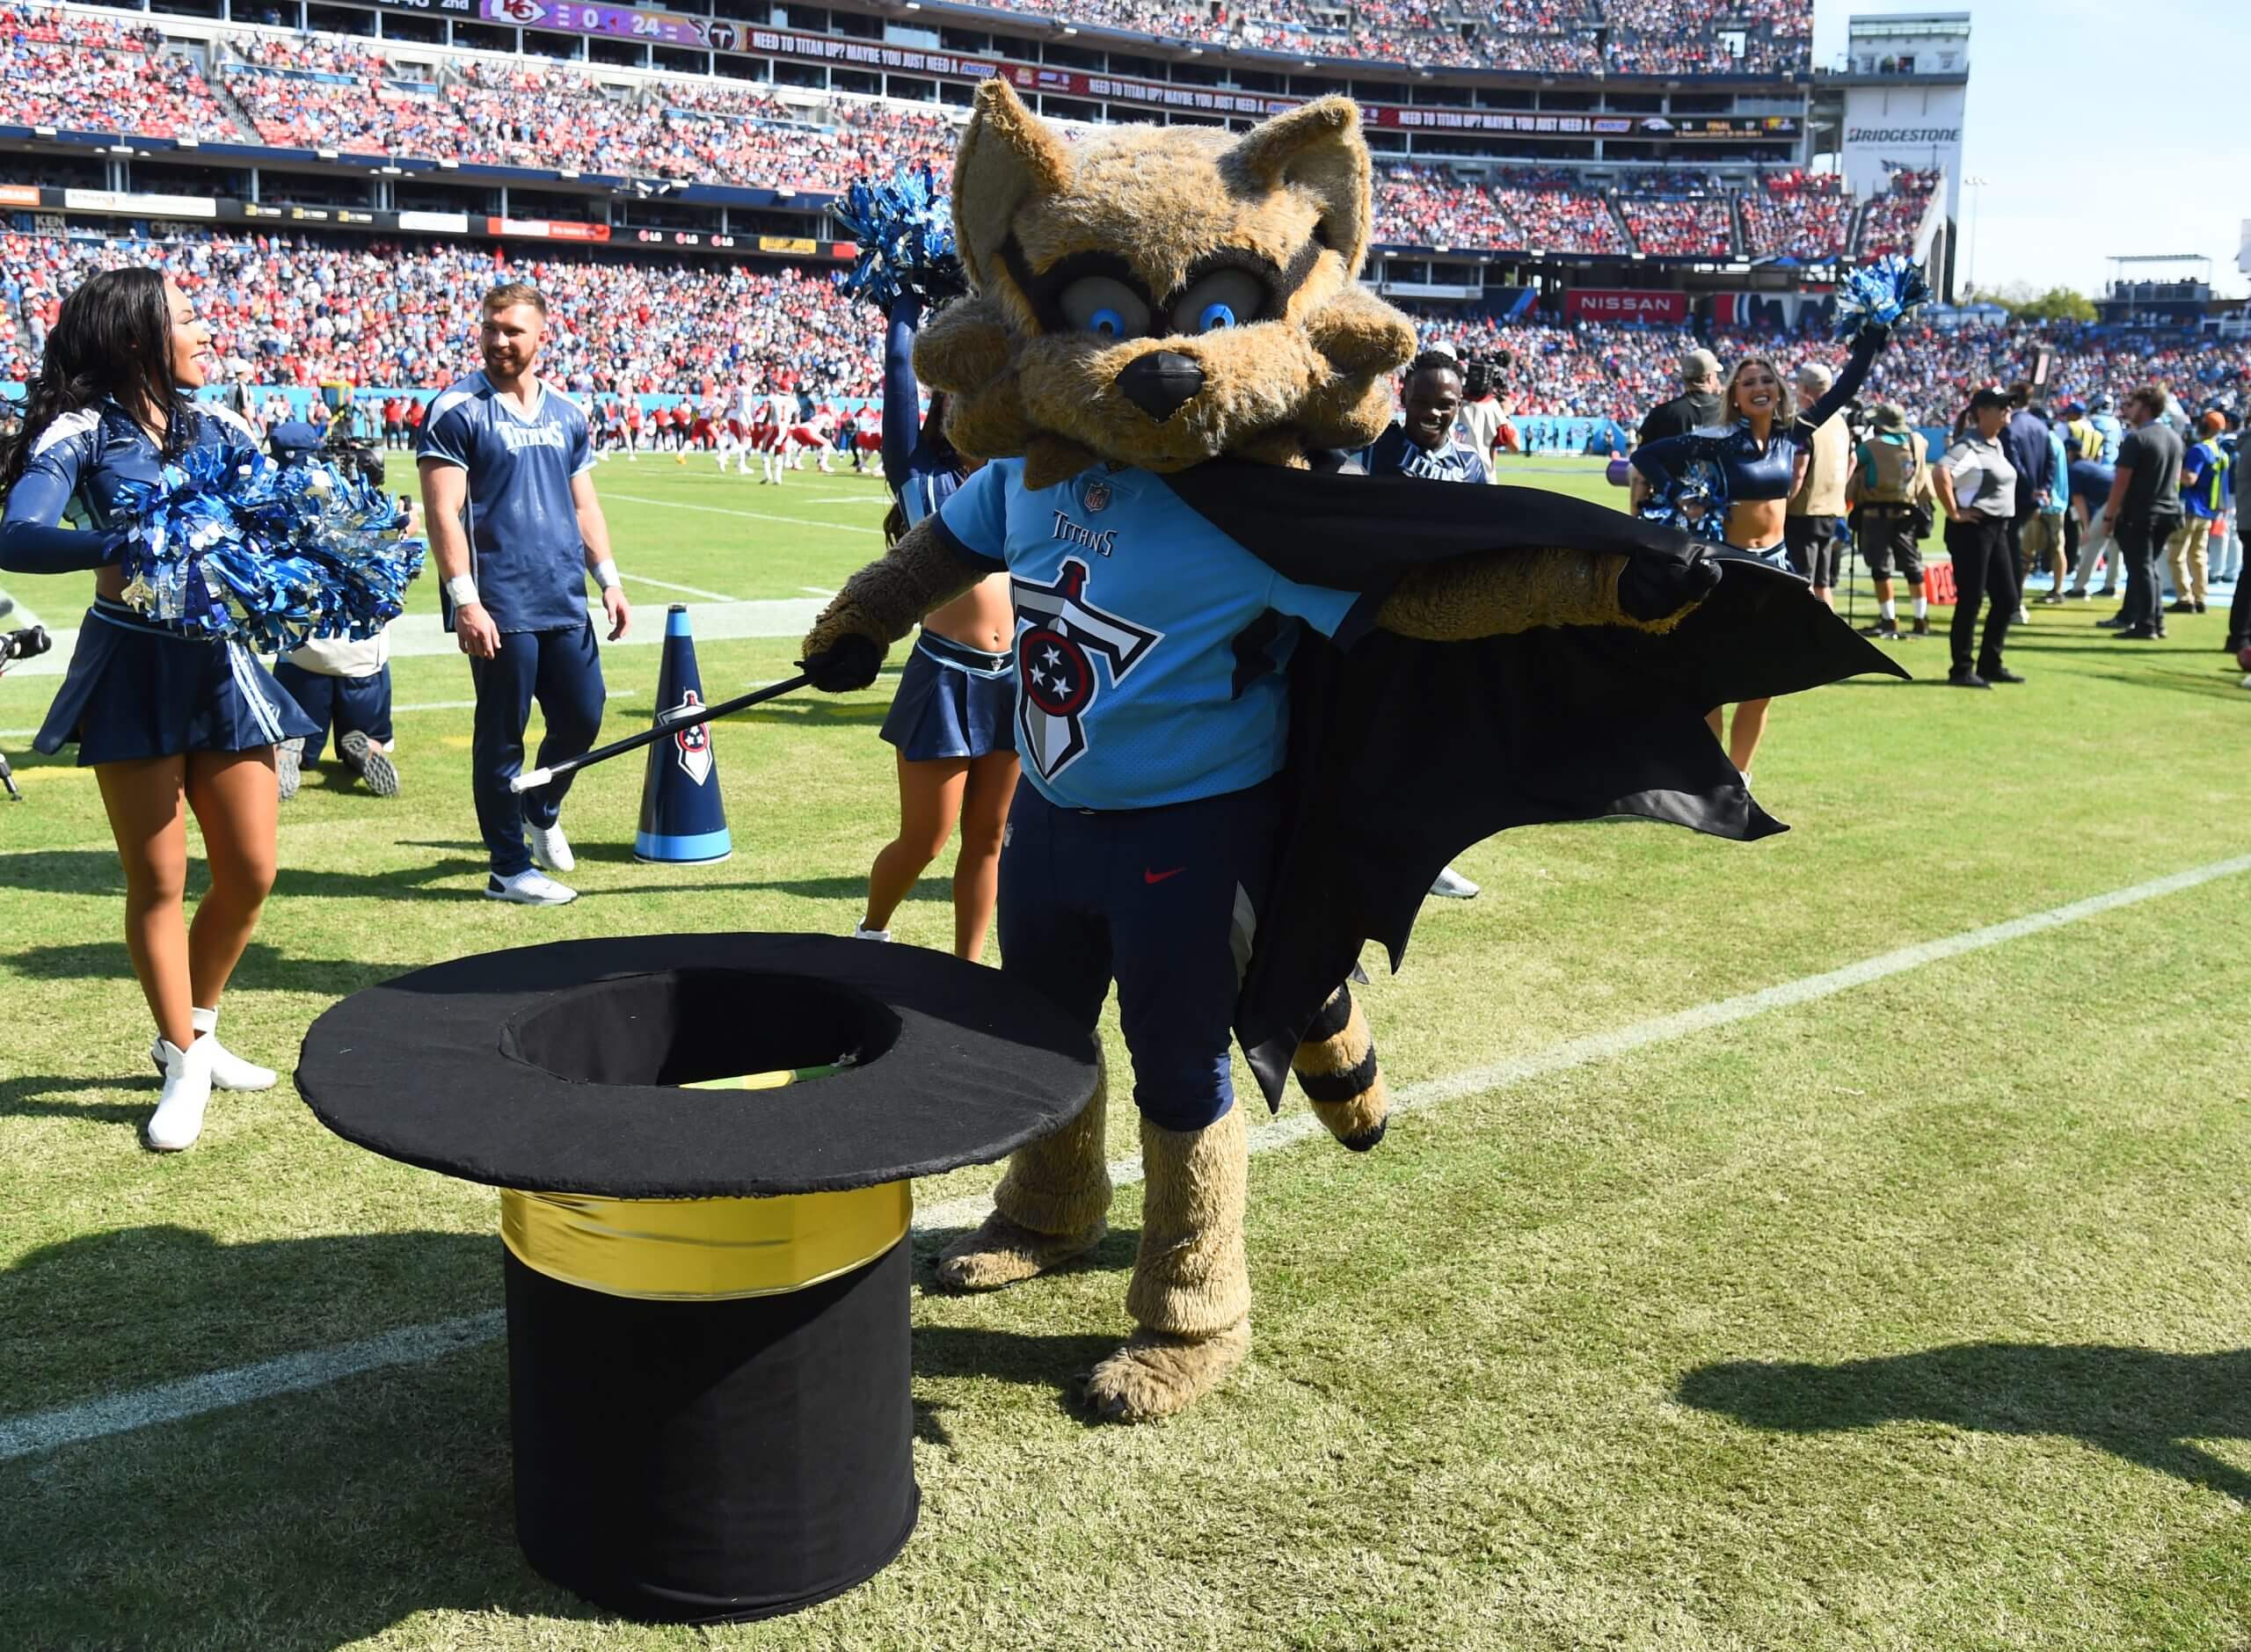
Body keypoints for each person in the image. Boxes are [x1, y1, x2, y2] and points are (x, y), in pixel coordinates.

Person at [0, 267, 320, 1150]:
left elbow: (275, 521)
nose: (206, 330)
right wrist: (124, 539)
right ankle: (181, 1059)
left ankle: (199, 1025)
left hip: (221, 667)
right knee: (161, 881)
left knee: (251, 870)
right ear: (138, 338)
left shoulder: (218, 423)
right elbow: (16, 533)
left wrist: (330, 540)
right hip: (132, 666)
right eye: (187, 319)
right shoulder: (83, 431)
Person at [416, 280, 630, 906]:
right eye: (490, 327)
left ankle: (542, 808)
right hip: (500, 604)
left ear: (543, 336)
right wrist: (465, 598)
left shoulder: (567, 412)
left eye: (512, 329)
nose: (499, 340)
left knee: (583, 717)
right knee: (502, 735)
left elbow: (583, 504)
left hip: (564, 596)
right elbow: (443, 514)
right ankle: (507, 868)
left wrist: (609, 579)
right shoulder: (456, 409)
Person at [1630, 322, 1891, 779]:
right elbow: (1646, 457)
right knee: (1711, 681)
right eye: (1748, 382)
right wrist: (1677, 494)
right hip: (1726, 569)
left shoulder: (1795, 433)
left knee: (1761, 685)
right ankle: (1709, 776)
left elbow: (1848, 386)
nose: (1759, 387)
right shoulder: (1716, 442)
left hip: (1776, 569)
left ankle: (1740, 778)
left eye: (1767, 379)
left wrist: (1872, 336)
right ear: (1734, 396)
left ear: (1779, 389)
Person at [854, 291, 1020, 959]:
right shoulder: (920, 476)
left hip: (1013, 680)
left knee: (990, 838)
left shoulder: (1024, 475)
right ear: (945, 402)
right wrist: (902, 303)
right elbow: (898, 371)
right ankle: (871, 930)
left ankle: (967, 967)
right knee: (926, 837)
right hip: (945, 679)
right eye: (962, 392)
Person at [1359, 350, 1486, 898]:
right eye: (1424, 402)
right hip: (1375, 622)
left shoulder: (1473, 466)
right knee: (1374, 740)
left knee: (1436, 744)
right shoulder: (1371, 451)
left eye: (1447, 405)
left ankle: (1428, 859)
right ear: (1402, 396)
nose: (1434, 414)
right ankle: (1365, 851)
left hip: (1445, 627)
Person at [1933, 386, 2022, 688]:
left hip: (1996, 529)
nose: (2007, 410)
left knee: (2007, 599)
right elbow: (1940, 473)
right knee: (1971, 599)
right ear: (1982, 412)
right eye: (2001, 406)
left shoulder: (1994, 444)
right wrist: (1955, 512)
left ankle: (1989, 663)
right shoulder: (1969, 445)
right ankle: (1961, 669)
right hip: (1973, 530)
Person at [2099, 385, 2184, 642]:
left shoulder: (2137, 439)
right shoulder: (2173, 437)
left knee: (2141, 568)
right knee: (2148, 568)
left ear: (2145, 407)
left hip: (2142, 512)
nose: (2128, 409)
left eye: (2133, 404)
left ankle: (2147, 623)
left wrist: (2108, 516)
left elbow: (2121, 482)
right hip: (2168, 510)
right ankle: (2155, 620)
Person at [1845, 402, 1934, 640]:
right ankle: (1920, 619)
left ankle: (1889, 619)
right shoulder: (1917, 442)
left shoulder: (1870, 447)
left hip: (1875, 514)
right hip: (1907, 514)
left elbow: (1852, 464)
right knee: (1913, 567)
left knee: (1880, 568)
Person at [1783, 361, 1848, 608]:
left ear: (1806, 389)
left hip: (1804, 512)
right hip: (1831, 510)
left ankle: (1807, 636)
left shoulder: (1805, 423)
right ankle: (1828, 635)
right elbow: (1851, 460)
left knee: (1803, 580)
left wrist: (1782, 504)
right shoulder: (1839, 422)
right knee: (1823, 582)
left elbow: (1798, 473)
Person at [1629, 346, 1723, 511]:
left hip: (1671, 511)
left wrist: (1635, 519)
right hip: (1719, 511)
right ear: (1710, 377)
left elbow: (1640, 476)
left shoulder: (1662, 413)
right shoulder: (1728, 414)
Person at [2166, 411, 2230, 617]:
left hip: (2191, 508)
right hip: (2207, 511)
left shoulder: (2199, 450)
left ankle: (2185, 598)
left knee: (2176, 555)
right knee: (2199, 556)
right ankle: (2200, 596)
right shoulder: (2220, 452)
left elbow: (2190, 478)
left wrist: (2175, 470)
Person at [2024, 417, 2070, 608]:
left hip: (2045, 502)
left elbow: (2042, 471)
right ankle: (2058, 589)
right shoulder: (2057, 441)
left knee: (2026, 550)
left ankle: (2017, 590)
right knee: (2058, 548)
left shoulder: (2044, 441)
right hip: (2059, 502)